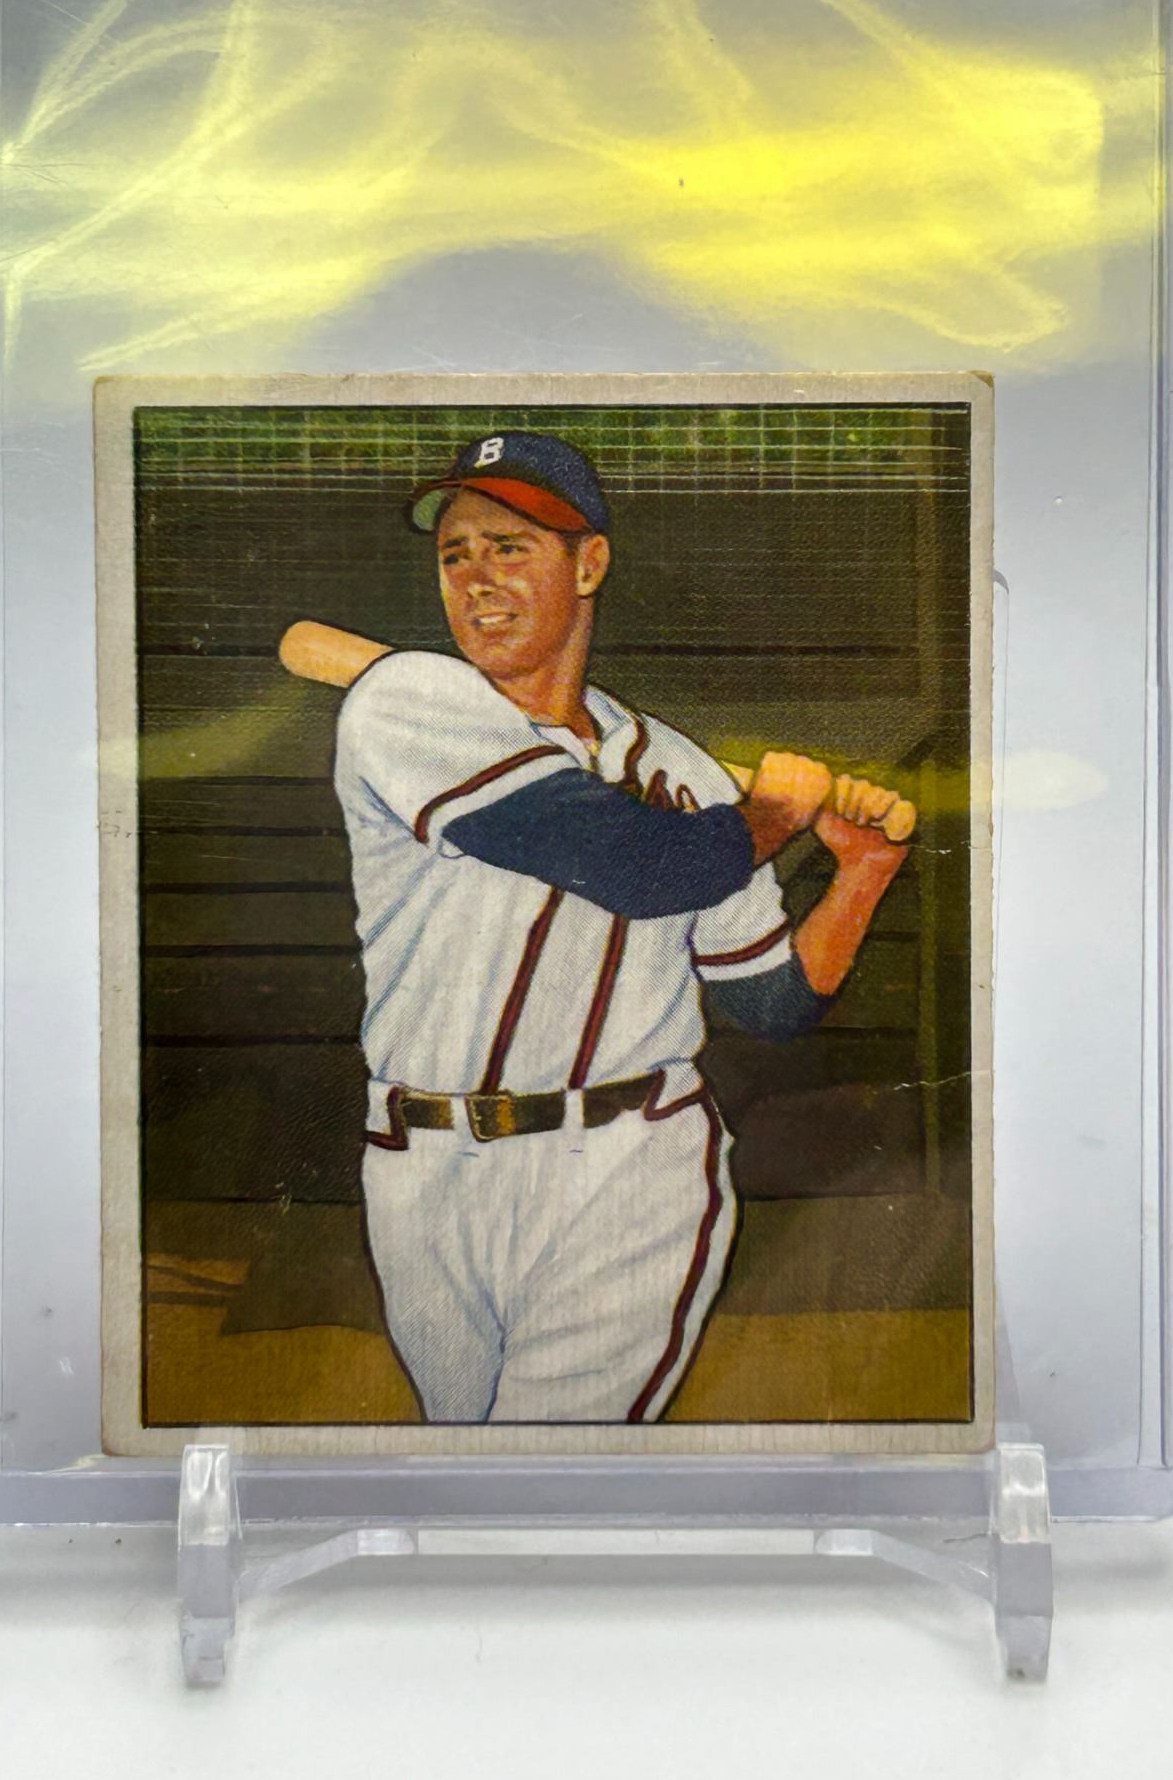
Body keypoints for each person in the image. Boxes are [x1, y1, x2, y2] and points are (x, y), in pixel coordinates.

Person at [323, 430, 909, 1424]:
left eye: (511, 547)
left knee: (544, 1464)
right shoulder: (406, 701)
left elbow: (773, 1003)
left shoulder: (684, 771)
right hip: (422, 1164)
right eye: (455, 554)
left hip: (626, 1163)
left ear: (589, 563)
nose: (477, 578)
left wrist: (861, 874)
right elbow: (637, 865)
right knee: (469, 1463)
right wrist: (771, 815)